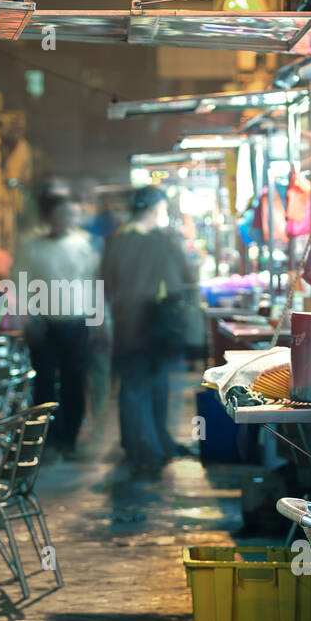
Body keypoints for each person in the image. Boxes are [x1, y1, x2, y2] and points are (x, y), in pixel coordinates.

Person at [101, 185, 195, 475]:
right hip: (154, 325)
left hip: (130, 325)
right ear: (155, 209)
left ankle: (145, 445)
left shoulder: (117, 241)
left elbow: (105, 283)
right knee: (145, 387)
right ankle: (148, 449)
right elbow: (184, 278)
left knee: (140, 387)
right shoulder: (160, 240)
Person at [15, 187, 99, 459]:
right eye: (60, 214)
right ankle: (47, 441)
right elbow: (20, 284)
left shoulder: (83, 246)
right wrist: (28, 318)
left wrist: (99, 320)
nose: (66, 219)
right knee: (45, 384)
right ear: (48, 217)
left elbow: (93, 284)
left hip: (77, 322)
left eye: (70, 214)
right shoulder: (32, 248)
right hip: (44, 325)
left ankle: (70, 440)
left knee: (75, 382)